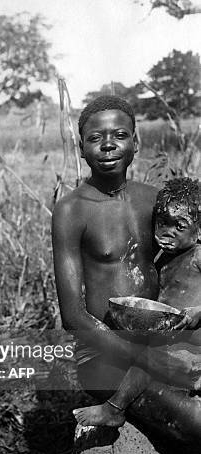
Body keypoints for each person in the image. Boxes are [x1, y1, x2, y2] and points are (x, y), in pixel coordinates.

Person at [51, 95, 201, 445]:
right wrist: (153, 362)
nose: (107, 145)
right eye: (95, 138)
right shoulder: (71, 211)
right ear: (82, 147)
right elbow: (73, 317)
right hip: (104, 354)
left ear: (136, 142)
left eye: (119, 135)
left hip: (165, 341)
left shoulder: (155, 200)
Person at [72, 177, 201, 428]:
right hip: (172, 338)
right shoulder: (163, 259)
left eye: (179, 226)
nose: (167, 232)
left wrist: (198, 312)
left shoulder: (199, 255)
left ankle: (114, 408)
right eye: (163, 223)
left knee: (150, 354)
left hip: (193, 338)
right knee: (151, 352)